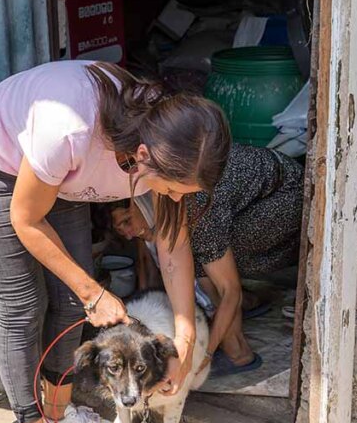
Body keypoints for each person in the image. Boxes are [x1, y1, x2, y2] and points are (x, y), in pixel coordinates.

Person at [0, 59, 230, 423]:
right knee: (24, 307)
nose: (176, 199)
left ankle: (60, 413)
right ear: (142, 158)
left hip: (60, 177)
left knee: (68, 307)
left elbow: (173, 248)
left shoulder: (172, 139)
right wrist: (92, 291)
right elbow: (25, 220)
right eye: (175, 190)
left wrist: (184, 341)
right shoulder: (70, 131)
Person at [108, 144, 304, 378]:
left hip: (292, 201)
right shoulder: (160, 180)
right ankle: (249, 303)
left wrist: (204, 355)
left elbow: (229, 290)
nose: (174, 196)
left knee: (207, 261)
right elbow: (149, 258)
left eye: (128, 222)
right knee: (205, 258)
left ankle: (237, 353)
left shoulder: (197, 200)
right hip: (266, 195)